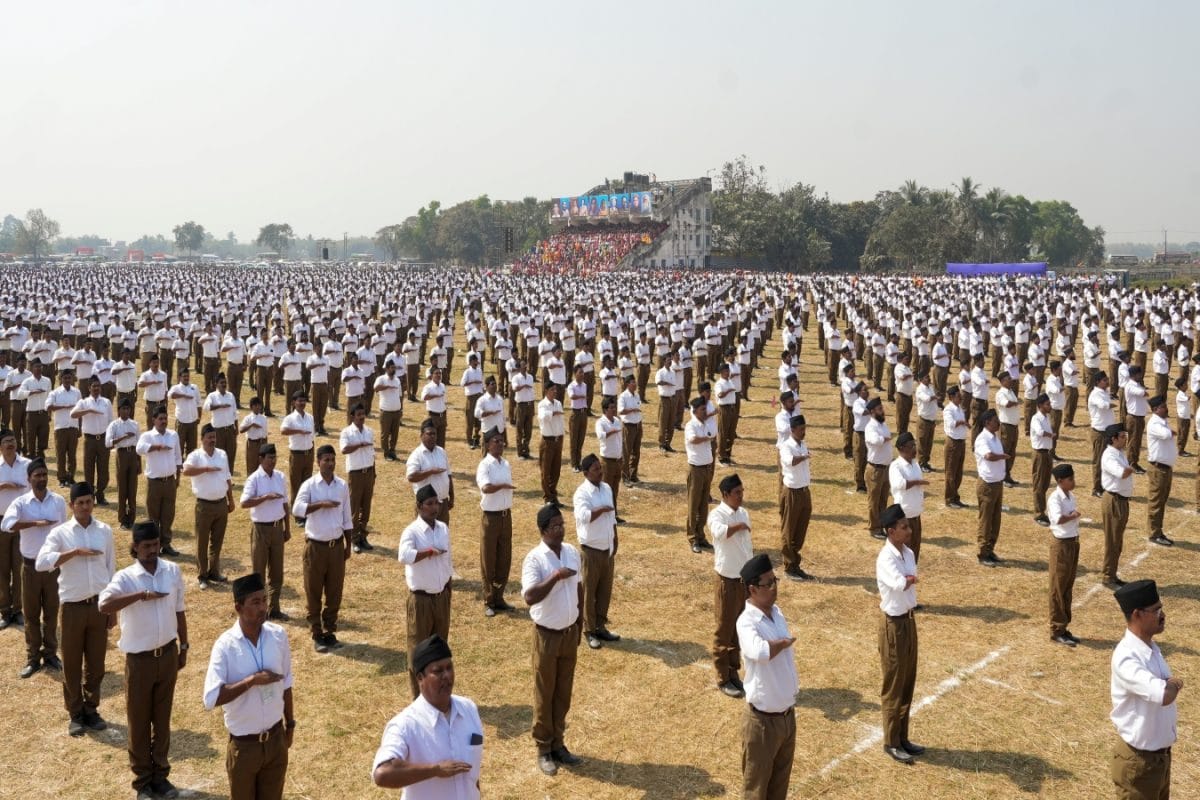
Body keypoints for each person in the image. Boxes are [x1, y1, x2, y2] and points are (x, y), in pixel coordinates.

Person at [98, 521, 188, 800]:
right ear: (135, 548)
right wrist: (140, 596)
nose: (152, 550)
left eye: (155, 544)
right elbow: (104, 605)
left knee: (162, 721)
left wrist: (184, 646)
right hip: (139, 661)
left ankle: (161, 776)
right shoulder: (126, 578)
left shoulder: (172, 571)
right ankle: (143, 782)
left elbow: (180, 610)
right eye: (146, 546)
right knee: (139, 722)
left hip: (168, 654)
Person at [202, 573, 295, 800]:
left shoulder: (278, 636)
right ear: (238, 607)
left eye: (264, 600)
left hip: (275, 742)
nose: (263, 607)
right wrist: (251, 681)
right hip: (244, 748)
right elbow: (211, 698)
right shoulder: (225, 646)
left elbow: (287, 684)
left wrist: (289, 725)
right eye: (255, 602)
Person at [36, 480, 116, 735]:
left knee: (96, 663)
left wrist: (112, 607)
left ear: (93, 502)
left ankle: (91, 709)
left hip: (98, 606)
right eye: (79, 503)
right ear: (71, 505)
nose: (84, 507)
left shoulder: (104, 531)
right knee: (71, 663)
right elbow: (41, 563)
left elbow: (111, 569)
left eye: (88, 502)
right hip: (72, 608)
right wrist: (73, 552)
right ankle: (75, 712)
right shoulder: (60, 534)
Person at [371, 634, 483, 796]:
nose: (447, 676)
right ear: (420, 678)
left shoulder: (469, 709)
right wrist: (435, 770)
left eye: (449, 667)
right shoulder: (405, 725)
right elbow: (382, 774)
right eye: (438, 671)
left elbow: (473, 776)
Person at [521, 504, 583, 776]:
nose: (561, 529)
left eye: (562, 524)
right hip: (546, 635)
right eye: (555, 526)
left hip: (569, 633)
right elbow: (530, 596)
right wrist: (556, 576)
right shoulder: (535, 559)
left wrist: (580, 623)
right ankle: (543, 748)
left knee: (563, 692)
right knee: (545, 693)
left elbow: (579, 587)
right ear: (543, 530)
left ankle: (559, 743)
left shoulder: (571, 552)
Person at [1110, 579, 1181, 799]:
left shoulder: (1150, 647)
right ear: (1137, 614)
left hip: (1159, 759)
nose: (1163, 614)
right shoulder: (1127, 658)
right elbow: (1165, 694)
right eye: (1156, 610)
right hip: (1138, 765)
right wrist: (1176, 684)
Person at [736, 553, 797, 800]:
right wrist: (782, 643)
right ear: (752, 589)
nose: (774, 588)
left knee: (778, 788)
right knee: (756, 790)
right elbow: (758, 651)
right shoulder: (747, 622)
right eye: (768, 583)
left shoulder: (777, 612)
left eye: (775, 581)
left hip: (786, 718)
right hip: (762, 723)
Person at [3, 458, 67, 677]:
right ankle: (33, 658)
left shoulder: (57, 501)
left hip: (52, 568)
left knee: (51, 613)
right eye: (37, 475)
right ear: (28, 479)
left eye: (44, 474)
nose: (41, 478)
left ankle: (50, 653)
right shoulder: (21, 504)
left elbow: (64, 531)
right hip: (30, 568)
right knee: (31, 616)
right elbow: (6, 525)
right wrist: (34, 524)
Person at [292, 444, 352, 653]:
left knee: (335, 591)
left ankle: (330, 631)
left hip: (336, 547)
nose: (330, 463)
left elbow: (347, 517)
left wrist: (348, 545)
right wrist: (320, 504)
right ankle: (317, 633)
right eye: (326, 459)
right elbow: (297, 509)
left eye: (332, 460)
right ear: (318, 462)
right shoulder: (310, 485)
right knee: (314, 591)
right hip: (316, 547)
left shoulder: (342, 485)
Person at [875, 504, 923, 764]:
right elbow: (899, 583)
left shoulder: (907, 553)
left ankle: (903, 736)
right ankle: (891, 741)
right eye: (904, 527)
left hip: (908, 620)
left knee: (907, 681)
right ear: (891, 531)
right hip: (893, 625)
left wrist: (909, 579)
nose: (909, 529)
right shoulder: (886, 558)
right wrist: (909, 579)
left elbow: (909, 578)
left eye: (908, 525)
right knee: (894, 685)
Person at [398, 486, 453, 699]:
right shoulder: (412, 531)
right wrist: (428, 552)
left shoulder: (442, 528)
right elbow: (404, 555)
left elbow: (448, 560)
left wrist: (449, 587)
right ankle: (418, 699)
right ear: (419, 506)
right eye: (429, 504)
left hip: (441, 598)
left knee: (439, 649)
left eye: (436, 503)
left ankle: (438, 693)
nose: (434, 507)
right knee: (418, 651)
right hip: (421, 600)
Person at [708, 474, 752, 698]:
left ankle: (734, 673)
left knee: (738, 628)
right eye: (737, 493)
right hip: (727, 579)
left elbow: (747, 547)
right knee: (724, 629)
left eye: (742, 492)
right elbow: (718, 533)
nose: (741, 496)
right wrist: (738, 526)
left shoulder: (743, 513)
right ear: (725, 495)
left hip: (743, 580)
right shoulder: (717, 514)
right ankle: (722, 677)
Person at [573, 453, 620, 650]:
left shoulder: (607, 487)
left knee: (604, 591)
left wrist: (615, 536)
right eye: (595, 470)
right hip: (591, 550)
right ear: (585, 473)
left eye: (600, 468)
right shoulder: (582, 493)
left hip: (607, 547)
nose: (600, 472)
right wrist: (601, 509)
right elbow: (583, 516)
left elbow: (612, 516)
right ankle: (589, 630)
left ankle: (600, 626)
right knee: (589, 592)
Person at [240, 444, 292, 620]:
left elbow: (285, 503)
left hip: (277, 528)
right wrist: (265, 498)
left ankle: (274, 608)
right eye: (269, 457)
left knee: (277, 572)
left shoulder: (280, 477)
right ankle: (259, 611)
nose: (273, 460)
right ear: (260, 459)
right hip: (260, 528)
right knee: (259, 572)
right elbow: (244, 502)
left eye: (274, 457)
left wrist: (287, 527)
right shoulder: (254, 479)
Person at [183, 423, 234, 588]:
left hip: (221, 504)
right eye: (209, 437)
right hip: (204, 505)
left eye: (214, 437)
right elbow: (186, 471)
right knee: (202, 542)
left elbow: (227, 477)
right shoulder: (196, 456)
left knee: (217, 542)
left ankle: (214, 571)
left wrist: (231, 499)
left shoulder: (222, 454)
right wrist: (205, 469)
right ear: (202, 439)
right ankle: (202, 575)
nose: (212, 440)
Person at [476, 427, 515, 617]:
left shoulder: (505, 464)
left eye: (502, 441)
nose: (500, 444)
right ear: (488, 444)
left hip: (506, 516)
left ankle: (499, 597)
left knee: (504, 558)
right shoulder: (485, 465)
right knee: (488, 559)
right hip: (491, 517)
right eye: (496, 441)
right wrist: (503, 486)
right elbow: (486, 488)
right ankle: (488, 599)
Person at [135, 406, 183, 557]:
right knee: (153, 516)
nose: (163, 421)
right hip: (154, 482)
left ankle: (166, 544)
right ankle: (154, 546)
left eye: (165, 418)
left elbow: (178, 457)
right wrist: (157, 447)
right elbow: (139, 449)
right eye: (160, 418)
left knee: (168, 515)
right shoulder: (148, 436)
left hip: (170, 481)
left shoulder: (173, 435)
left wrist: (177, 478)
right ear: (153, 420)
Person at [1046, 463, 1082, 648]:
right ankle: (1056, 629)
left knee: (1067, 585)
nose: (1073, 482)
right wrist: (1073, 515)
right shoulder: (1055, 499)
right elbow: (1057, 519)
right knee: (1058, 587)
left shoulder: (1070, 496)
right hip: (1061, 544)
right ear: (1060, 481)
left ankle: (1064, 626)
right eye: (1070, 479)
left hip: (1072, 542)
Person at [0, 428, 30, 629]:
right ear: (0, 446)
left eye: (13, 440)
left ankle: (18, 609)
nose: (11, 444)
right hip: (1, 521)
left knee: (19, 567)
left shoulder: (27, 465)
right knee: (2, 568)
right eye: (7, 441)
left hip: (21, 522)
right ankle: (4, 610)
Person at [777, 414, 812, 580]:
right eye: (801, 429)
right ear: (792, 430)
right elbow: (790, 461)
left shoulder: (803, 444)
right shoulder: (786, 446)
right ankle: (789, 565)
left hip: (804, 491)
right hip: (792, 492)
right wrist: (804, 457)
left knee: (801, 528)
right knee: (789, 529)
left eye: (805, 429)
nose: (804, 432)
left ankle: (795, 561)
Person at [1100, 424, 1134, 588]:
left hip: (1122, 500)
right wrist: (1129, 469)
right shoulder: (1109, 456)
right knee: (1112, 540)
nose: (1125, 439)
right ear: (1113, 438)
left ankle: (1112, 574)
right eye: (1122, 436)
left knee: (1117, 541)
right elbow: (1122, 473)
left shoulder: (1119, 453)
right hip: (1114, 501)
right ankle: (1108, 576)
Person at [974, 410, 1009, 566]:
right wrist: (1002, 457)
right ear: (987, 422)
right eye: (995, 421)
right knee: (986, 520)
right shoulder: (982, 439)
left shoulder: (995, 438)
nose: (998, 423)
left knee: (995, 520)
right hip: (987, 485)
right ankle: (982, 553)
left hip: (997, 483)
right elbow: (988, 456)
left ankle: (990, 549)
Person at [340, 403, 378, 552]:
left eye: (363, 414)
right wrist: (359, 444)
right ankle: (354, 539)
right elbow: (344, 449)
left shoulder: (369, 431)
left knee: (366, 507)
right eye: (359, 414)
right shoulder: (347, 432)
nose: (362, 417)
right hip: (355, 474)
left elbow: (372, 453)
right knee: (354, 508)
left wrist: (373, 472)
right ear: (352, 416)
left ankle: (363, 536)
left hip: (368, 472)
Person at [72, 377, 113, 506]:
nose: (96, 388)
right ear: (89, 388)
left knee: (103, 470)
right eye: (93, 386)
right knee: (89, 469)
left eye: (98, 386)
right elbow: (73, 414)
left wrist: (111, 440)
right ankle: (90, 497)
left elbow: (111, 422)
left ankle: (100, 494)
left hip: (103, 439)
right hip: (89, 440)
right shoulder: (84, 402)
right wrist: (88, 410)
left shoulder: (106, 402)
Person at [889, 431, 929, 563]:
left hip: (916, 514)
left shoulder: (915, 464)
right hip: (904, 517)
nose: (914, 449)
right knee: (904, 552)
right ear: (901, 448)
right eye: (911, 446)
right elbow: (900, 484)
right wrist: (917, 482)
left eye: (915, 445)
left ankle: (912, 574)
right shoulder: (896, 466)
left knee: (915, 550)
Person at [684, 397, 715, 553]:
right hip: (695, 469)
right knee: (694, 505)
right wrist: (706, 438)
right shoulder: (691, 425)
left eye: (705, 409)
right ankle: (692, 537)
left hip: (705, 469)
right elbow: (693, 439)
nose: (705, 412)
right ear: (695, 411)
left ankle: (701, 536)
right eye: (703, 410)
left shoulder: (705, 424)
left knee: (703, 505)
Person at [1145, 395, 1176, 547]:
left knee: (1162, 501)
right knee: (1156, 501)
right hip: (1158, 468)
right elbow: (1166, 434)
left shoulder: (1162, 421)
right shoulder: (1154, 423)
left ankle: (1158, 530)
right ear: (1156, 409)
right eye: (1163, 406)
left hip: (1165, 468)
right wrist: (1171, 432)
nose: (1166, 408)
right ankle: (1154, 533)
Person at [279, 392, 315, 518]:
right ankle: (297, 514)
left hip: (308, 454)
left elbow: (312, 436)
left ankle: (305, 511)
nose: (302, 403)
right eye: (299, 401)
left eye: (304, 400)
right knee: (296, 485)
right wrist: (298, 431)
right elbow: (283, 430)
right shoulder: (290, 418)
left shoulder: (310, 417)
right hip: (297, 455)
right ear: (294, 402)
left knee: (307, 485)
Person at [864, 397, 893, 538]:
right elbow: (874, 440)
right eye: (880, 409)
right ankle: (874, 528)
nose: (883, 411)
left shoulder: (882, 425)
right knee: (874, 501)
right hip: (875, 469)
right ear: (872, 412)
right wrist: (884, 439)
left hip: (885, 468)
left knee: (883, 499)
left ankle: (881, 525)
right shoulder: (871, 426)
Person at [536, 383, 565, 507]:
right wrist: (553, 413)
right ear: (546, 390)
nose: (555, 391)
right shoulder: (542, 404)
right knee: (546, 470)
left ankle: (553, 495)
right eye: (552, 389)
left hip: (558, 440)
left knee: (556, 470)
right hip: (547, 441)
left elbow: (560, 421)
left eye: (556, 389)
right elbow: (543, 417)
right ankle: (547, 497)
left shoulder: (558, 403)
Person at [1030, 393, 1055, 527]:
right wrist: (1050, 434)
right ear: (1040, 406)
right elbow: (1040, 432)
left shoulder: (1046, 417)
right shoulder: (1036, 419)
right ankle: (1039, 512)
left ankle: (1042, 510)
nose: (1049, 406)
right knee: (1039, 483)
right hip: (1039, 454)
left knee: (1045, 483)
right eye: (1047, 404)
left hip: (1046, 453)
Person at [942, 386, 969, 509]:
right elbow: (951, 424)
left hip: (961, 442)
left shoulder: (959, 409)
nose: (961, 398)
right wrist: (962, 422)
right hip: (953, 443)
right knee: (951, 472)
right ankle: (949, 498)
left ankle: (955, 496)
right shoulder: (948, 410)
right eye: (959, 396)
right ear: (951, 397)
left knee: (958, 472)